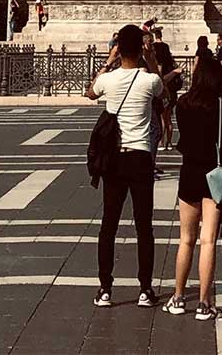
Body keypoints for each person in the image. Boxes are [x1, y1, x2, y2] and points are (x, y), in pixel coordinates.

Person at [86, 24, 165, 309]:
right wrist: (152, 57)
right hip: (141, 156)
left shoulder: (109, 80)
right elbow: (161, 88)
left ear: (119, 49)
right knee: (144, 226)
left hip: (114, 159)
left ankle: (105, 288)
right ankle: (145, 289)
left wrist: (108, 61)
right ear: (141, 48)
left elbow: (89, 93)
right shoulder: (149, 81)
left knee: (109, 224)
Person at [166, 53, 222, 320]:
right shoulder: (221, 106)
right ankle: (205, 304)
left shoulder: (183, 103)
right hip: (214, 174)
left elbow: (183, 137)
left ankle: (178, 297)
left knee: (186, 239)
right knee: (208, 241)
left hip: (189, 172)